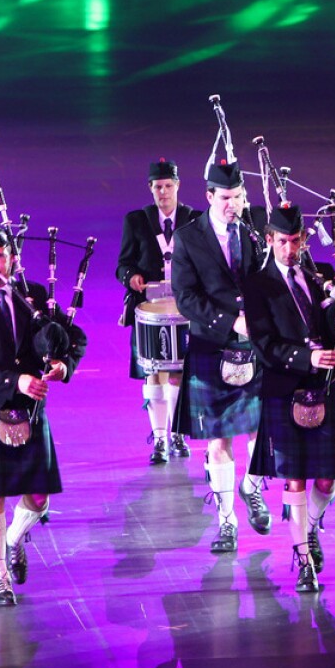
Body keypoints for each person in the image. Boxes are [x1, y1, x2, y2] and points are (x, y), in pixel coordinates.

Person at [0, 225, 86, 606]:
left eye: (1, 256)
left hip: (28, 412)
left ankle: (12, 539)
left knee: (38, 498)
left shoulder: (31, 297)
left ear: (12, 258)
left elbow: (73, 338)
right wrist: (15, 381)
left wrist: (63, 365)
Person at [242, 205, 335, 593]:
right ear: (269, 240)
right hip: (284, 388)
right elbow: (263, 345)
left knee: (325, 480)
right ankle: (304, 561)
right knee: (295, 479)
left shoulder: (320, 276)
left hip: (324, 387)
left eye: (295, 242)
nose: (289, 250)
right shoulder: (257, 285)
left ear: (304, 240)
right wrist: (306, 357)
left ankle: (308, 528)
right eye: (282, 242)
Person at [171, 160, 270, 553]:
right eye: (227, 198)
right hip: (212, 345)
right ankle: (227, 522)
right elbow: (186, 298)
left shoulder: (252, 230)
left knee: (264, 429)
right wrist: (231, 322)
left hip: (253, 346)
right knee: (219, 441)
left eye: (239, 197)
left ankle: (251, 486)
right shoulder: (188, 237)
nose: (234, 205)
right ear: (209, 196)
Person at [116, 159, 201, 464]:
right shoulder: (137, 220)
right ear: (150, 189)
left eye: (168, 186)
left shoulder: (195, 220)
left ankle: (177, 433)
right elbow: (123, 265)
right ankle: (160, 439)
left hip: (184, 309)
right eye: (158, 187)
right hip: (149, 312)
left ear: (177, 186)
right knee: (153, 373)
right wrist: (131, 277)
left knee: (178, 373)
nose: (163, 192)